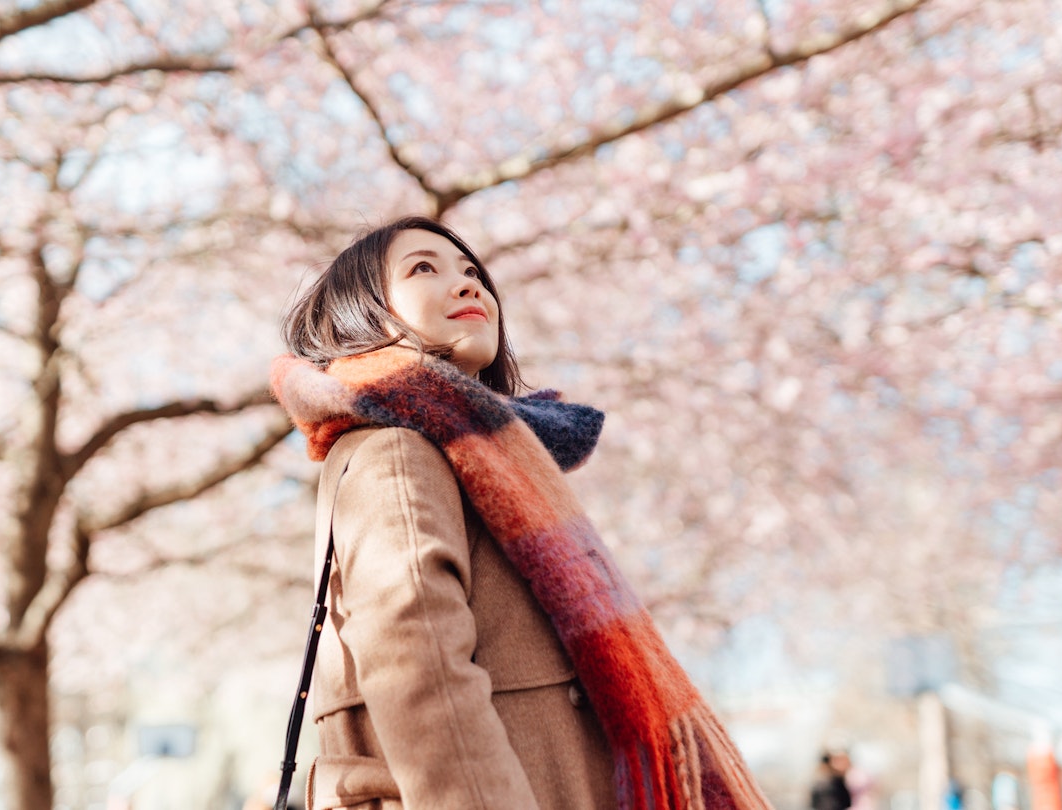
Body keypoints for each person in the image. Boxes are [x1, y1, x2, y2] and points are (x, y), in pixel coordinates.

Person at [271, 216, 771, 810]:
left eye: (472, 272)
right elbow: (419, 667)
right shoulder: (396, 450)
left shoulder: (489, 463)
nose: (468, 285)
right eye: (424, 268)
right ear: (365, 316)